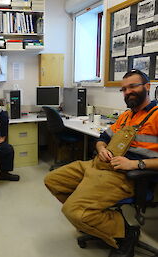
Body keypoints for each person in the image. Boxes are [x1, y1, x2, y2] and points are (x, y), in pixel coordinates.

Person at [44, 69, 158, 257]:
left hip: (124, 175)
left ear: (147, 87)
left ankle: (125, 234)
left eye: (132, 86)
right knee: (53, 180)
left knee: (73, 211)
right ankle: (96, 219)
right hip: (100, 164)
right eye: (123, 89)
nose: (127, 92)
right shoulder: (126, 116)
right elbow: (103, 137)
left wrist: (136, 165)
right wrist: (101, 148)